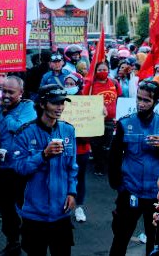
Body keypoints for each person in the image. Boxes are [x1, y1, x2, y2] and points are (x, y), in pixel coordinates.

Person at [108, 80, 159, 256]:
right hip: (130, 191)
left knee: (156, 240)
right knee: (120, 238)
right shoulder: (125, 123)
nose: (141, 103)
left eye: (146, 100)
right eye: (139, 99)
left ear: (156, 102)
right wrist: (119, 185)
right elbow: (114, 155)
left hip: (156, 194)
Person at [12, 84, 78, 256]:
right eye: (55, 103)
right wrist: (43, 155)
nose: (60, 107)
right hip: (34, 214)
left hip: (61, 213)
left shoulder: (68, 130)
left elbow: (73, 167)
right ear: (42, 104)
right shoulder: (25, 133)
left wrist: (72, 192)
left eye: (63, 102)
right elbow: (18, 168)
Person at [0, 76, 37, 256]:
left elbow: (19, 129)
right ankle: (12, 243)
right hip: (3, 166)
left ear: (21, 93)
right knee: (6, 207)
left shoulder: (28, 108)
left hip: (23, 167)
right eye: (4, 91)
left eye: (11, 92)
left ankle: (30, 244)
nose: (6, 95)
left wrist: (5, 112)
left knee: (25, 206)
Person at [87, 62, 122, 176]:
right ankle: (98, 166)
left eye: (105, 69)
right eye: (100, 70)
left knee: (107, 145)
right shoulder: (91, 85)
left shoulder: (114, 83)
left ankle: (105, 166)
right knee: (96, 144)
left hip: (110, 120)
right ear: (95, 71)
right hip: (95, 120)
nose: (102, 72)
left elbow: (120, 99)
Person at [63, 73, 90, 223]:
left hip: (81, 149)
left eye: (71, 83)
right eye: (66, 84)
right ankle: (63, 204)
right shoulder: (59, 101)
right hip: (64, 149)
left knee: (80, 178)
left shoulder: (87, 103)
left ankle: (79, 206)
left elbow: (91, 128)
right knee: (63, 176)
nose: (68, 86)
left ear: (78, 85)